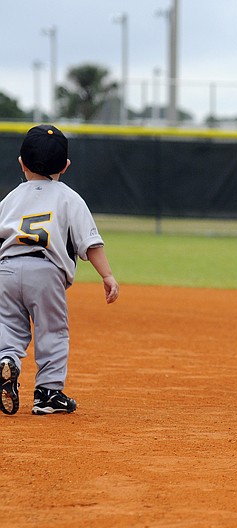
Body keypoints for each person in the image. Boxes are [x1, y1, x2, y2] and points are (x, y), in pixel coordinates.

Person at [0, 124, 119, 416]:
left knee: (8, 326)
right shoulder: (69, 198)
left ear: (21, 163)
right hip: (46, 271)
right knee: (52, 331)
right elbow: (90, 244)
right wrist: (107, 275)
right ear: (65, 166)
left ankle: (7, 360)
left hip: (7, 270)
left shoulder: (11, 198)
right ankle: (48, 394)